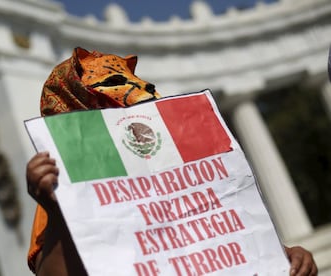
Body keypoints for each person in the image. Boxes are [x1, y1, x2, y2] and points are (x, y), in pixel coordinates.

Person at [26, 48, 318, 276]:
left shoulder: (180, 165)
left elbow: (233, 241)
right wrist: (58, 211)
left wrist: (287, 258)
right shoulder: (60, 187)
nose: (140, 99)